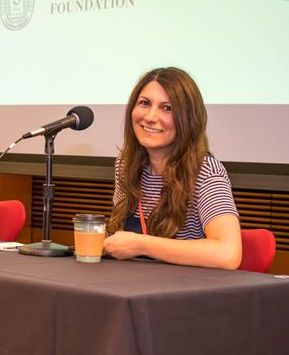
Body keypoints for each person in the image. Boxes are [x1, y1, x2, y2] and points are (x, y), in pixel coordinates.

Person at [103, 67, 242, 269]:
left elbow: (228, 254)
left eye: (167, 108)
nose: (151, 117)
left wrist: (142, 245)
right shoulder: (125, 164)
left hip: (183, 293)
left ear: (188, 119)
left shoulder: (206, 172)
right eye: (144, 103)